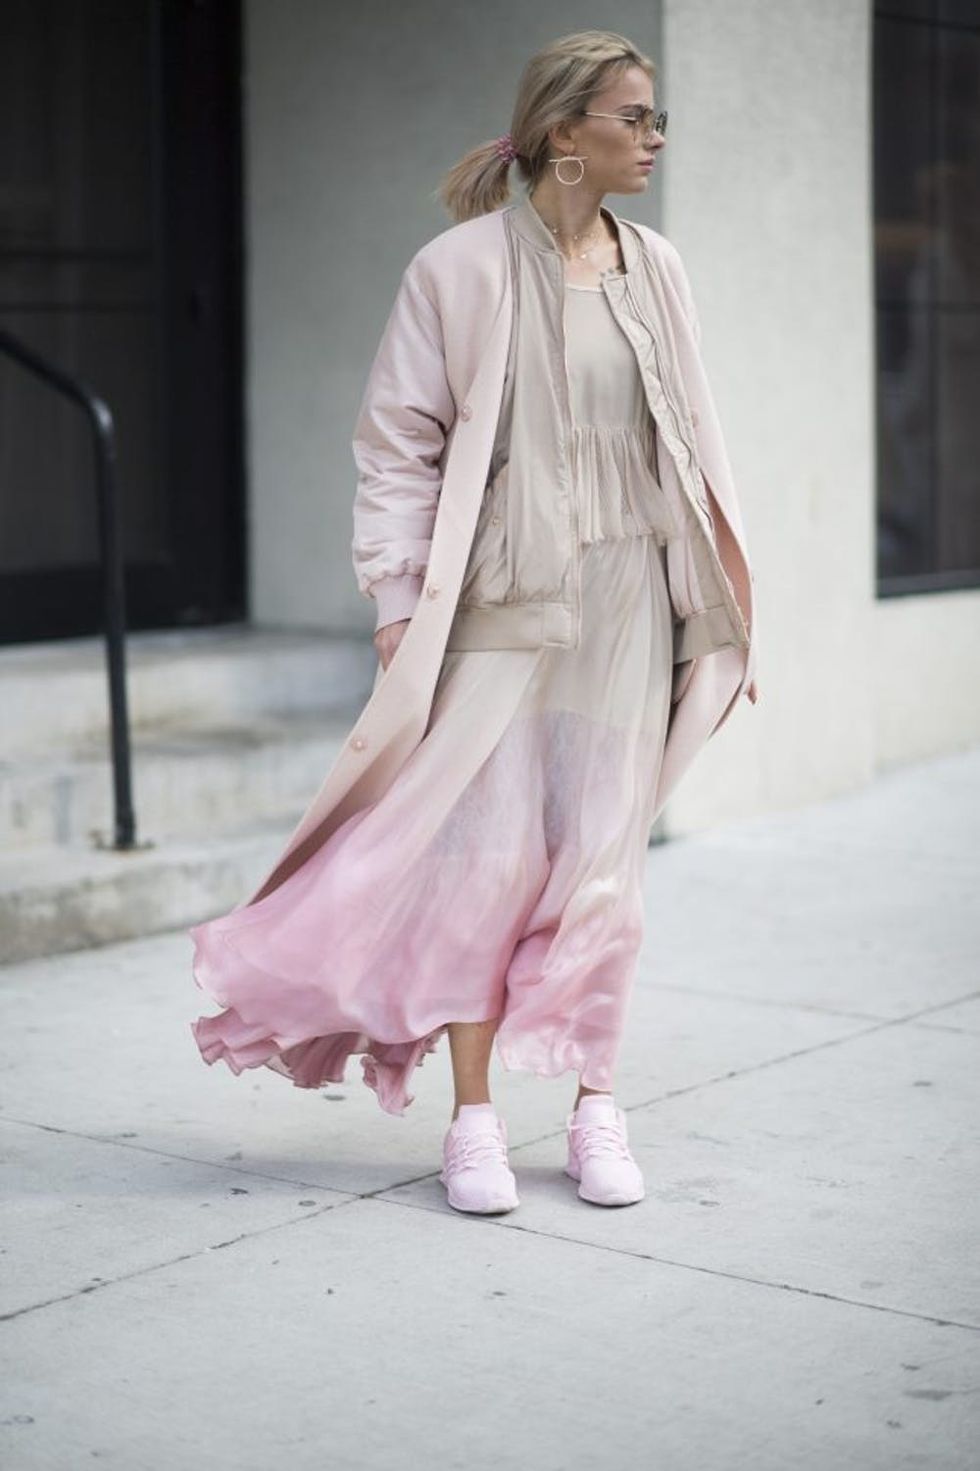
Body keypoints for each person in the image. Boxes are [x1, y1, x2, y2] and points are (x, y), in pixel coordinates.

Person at [189, 29, 760, 1218]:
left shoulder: (656, 266)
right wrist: (400, 605)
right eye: (636, 117)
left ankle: (596, 1103)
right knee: (481, 865)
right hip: (500, 604)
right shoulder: (456, 271)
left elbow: (697, 445)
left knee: (604, 860)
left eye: (657, 119)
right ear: (567, 133)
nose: (654, 139)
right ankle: (474, 1119)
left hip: (632, 601)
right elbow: (396, 444)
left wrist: (719, 616)